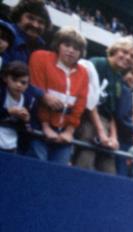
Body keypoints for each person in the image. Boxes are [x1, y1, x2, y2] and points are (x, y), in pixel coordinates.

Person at [73, 37, 133, 174]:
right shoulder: (98, 63)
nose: (127, 58)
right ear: (114, 50)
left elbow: (112, 113)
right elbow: (90, 102)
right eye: (124, 52)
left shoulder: (119, 79)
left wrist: (113, 136)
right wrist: (101, 132)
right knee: (86, 161)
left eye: (132, 56)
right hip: (87, 118)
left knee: (109, 169)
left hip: (105, 123)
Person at [27, 27, 89, 164]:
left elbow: (80, 104)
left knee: (58, 174)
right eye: (67, 45)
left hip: (64, 132)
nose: (71, 50)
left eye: (76, 48)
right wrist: (45, 126)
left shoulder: (83, 73)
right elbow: (37, 89)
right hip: (39, 126)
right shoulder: (40, 57)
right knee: (37, 167)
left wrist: (69, 131)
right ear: (58, 45)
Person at [0, 61, 39, 154]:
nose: (18, 85)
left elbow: (30, 130)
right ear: (6, 78)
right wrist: (8, 111)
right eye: (14, 80)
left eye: (23, 82)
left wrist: (26, 120)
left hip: (11, 147)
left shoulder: (30, 101)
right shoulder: (1, 92)